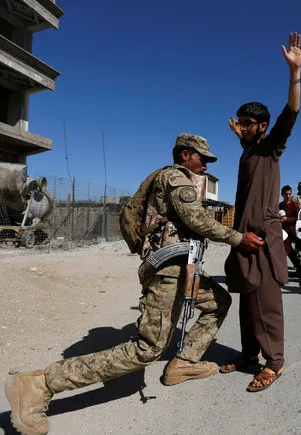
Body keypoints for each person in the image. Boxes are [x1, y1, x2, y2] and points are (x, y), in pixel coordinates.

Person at [4, 133, 264, 435]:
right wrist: (237, 239)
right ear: (184, 155)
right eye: (202, 157)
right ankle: (40, 384)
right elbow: (196, 220)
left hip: (182, 268)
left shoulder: (174, 177)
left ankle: (184, 362)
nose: (206, 163)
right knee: (147, 349)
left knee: (218, 302)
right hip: (169, 271)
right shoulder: (176, 178)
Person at [222, 31, 301, 392]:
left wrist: (294, 75)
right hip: (244, 238)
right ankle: (249, 354)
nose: (241, 126)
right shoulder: (248, 151)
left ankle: (275, 363)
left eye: (247, 123)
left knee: (266, 302)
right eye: (239, 122)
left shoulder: (270, 147)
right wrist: (239, 136)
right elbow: (245, 143)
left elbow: (291, 114)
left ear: (262, 126)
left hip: (264, 238)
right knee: (246, 301)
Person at [279, 185, 301, 275]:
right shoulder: (281, 205)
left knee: (286, 251)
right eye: (286, 194)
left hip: (292, 231)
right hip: (284, 231)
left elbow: (297, 218)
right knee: (288, 250)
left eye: (290, 194)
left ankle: (281, 272)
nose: (288, 196)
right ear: (282, 194)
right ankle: (299, 268)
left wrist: (287, 219)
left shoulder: (294, 205)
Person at [290, 180, 301, 270]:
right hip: (296, 224)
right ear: (298, 188)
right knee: (299, 243)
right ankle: (300, 264)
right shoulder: (295, 197)